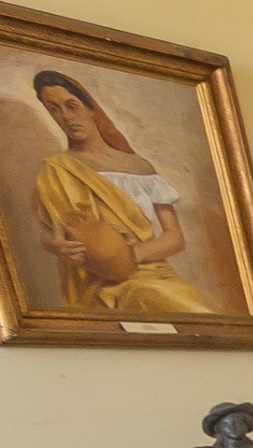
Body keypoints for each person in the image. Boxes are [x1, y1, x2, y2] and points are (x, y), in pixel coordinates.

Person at [29, 69, 219, 315]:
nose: (65, 117)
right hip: (100, 285)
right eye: (54, 109)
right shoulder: (56, 169)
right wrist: (58, 246)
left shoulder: (139, 166)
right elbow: (50, 234)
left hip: (155, 275)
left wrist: (127, 256)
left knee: (202, 315)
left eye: (71, 106)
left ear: (91, 109)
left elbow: (174, 237)